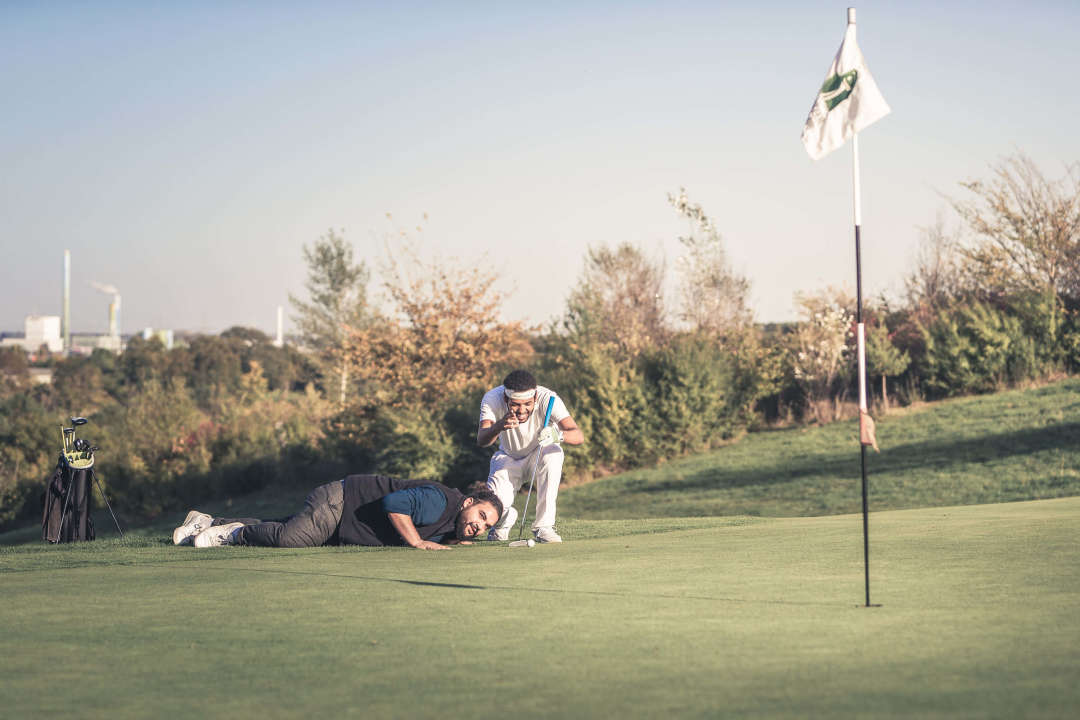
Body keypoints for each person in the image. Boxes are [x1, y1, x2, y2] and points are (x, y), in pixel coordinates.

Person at [171, 474, 503, 550]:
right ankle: (233, 534)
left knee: (284, 525)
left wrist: (457, 540)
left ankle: (207, 522)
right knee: (291, 538)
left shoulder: (452, 519)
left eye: (486, 527)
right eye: (482, 517)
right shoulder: (440, 501)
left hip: (345, 517)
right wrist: (416, 542)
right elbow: (394, 505)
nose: (480, 526)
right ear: (470, 502)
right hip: (340, 502)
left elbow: (444, 531)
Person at [477, 369, 584, 543]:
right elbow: (482, 440)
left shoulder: (549, 398)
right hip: (507, 457)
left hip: (539, 453)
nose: (522, 410)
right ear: (506, 399)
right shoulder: (491, 398)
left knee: (554, 452)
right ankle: (504, 521)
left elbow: (578, 435)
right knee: (496, 504)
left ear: (535, 398)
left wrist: (558, 436)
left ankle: (544, 527)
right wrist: (499, 426)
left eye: (527, 403)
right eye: (515, 404)